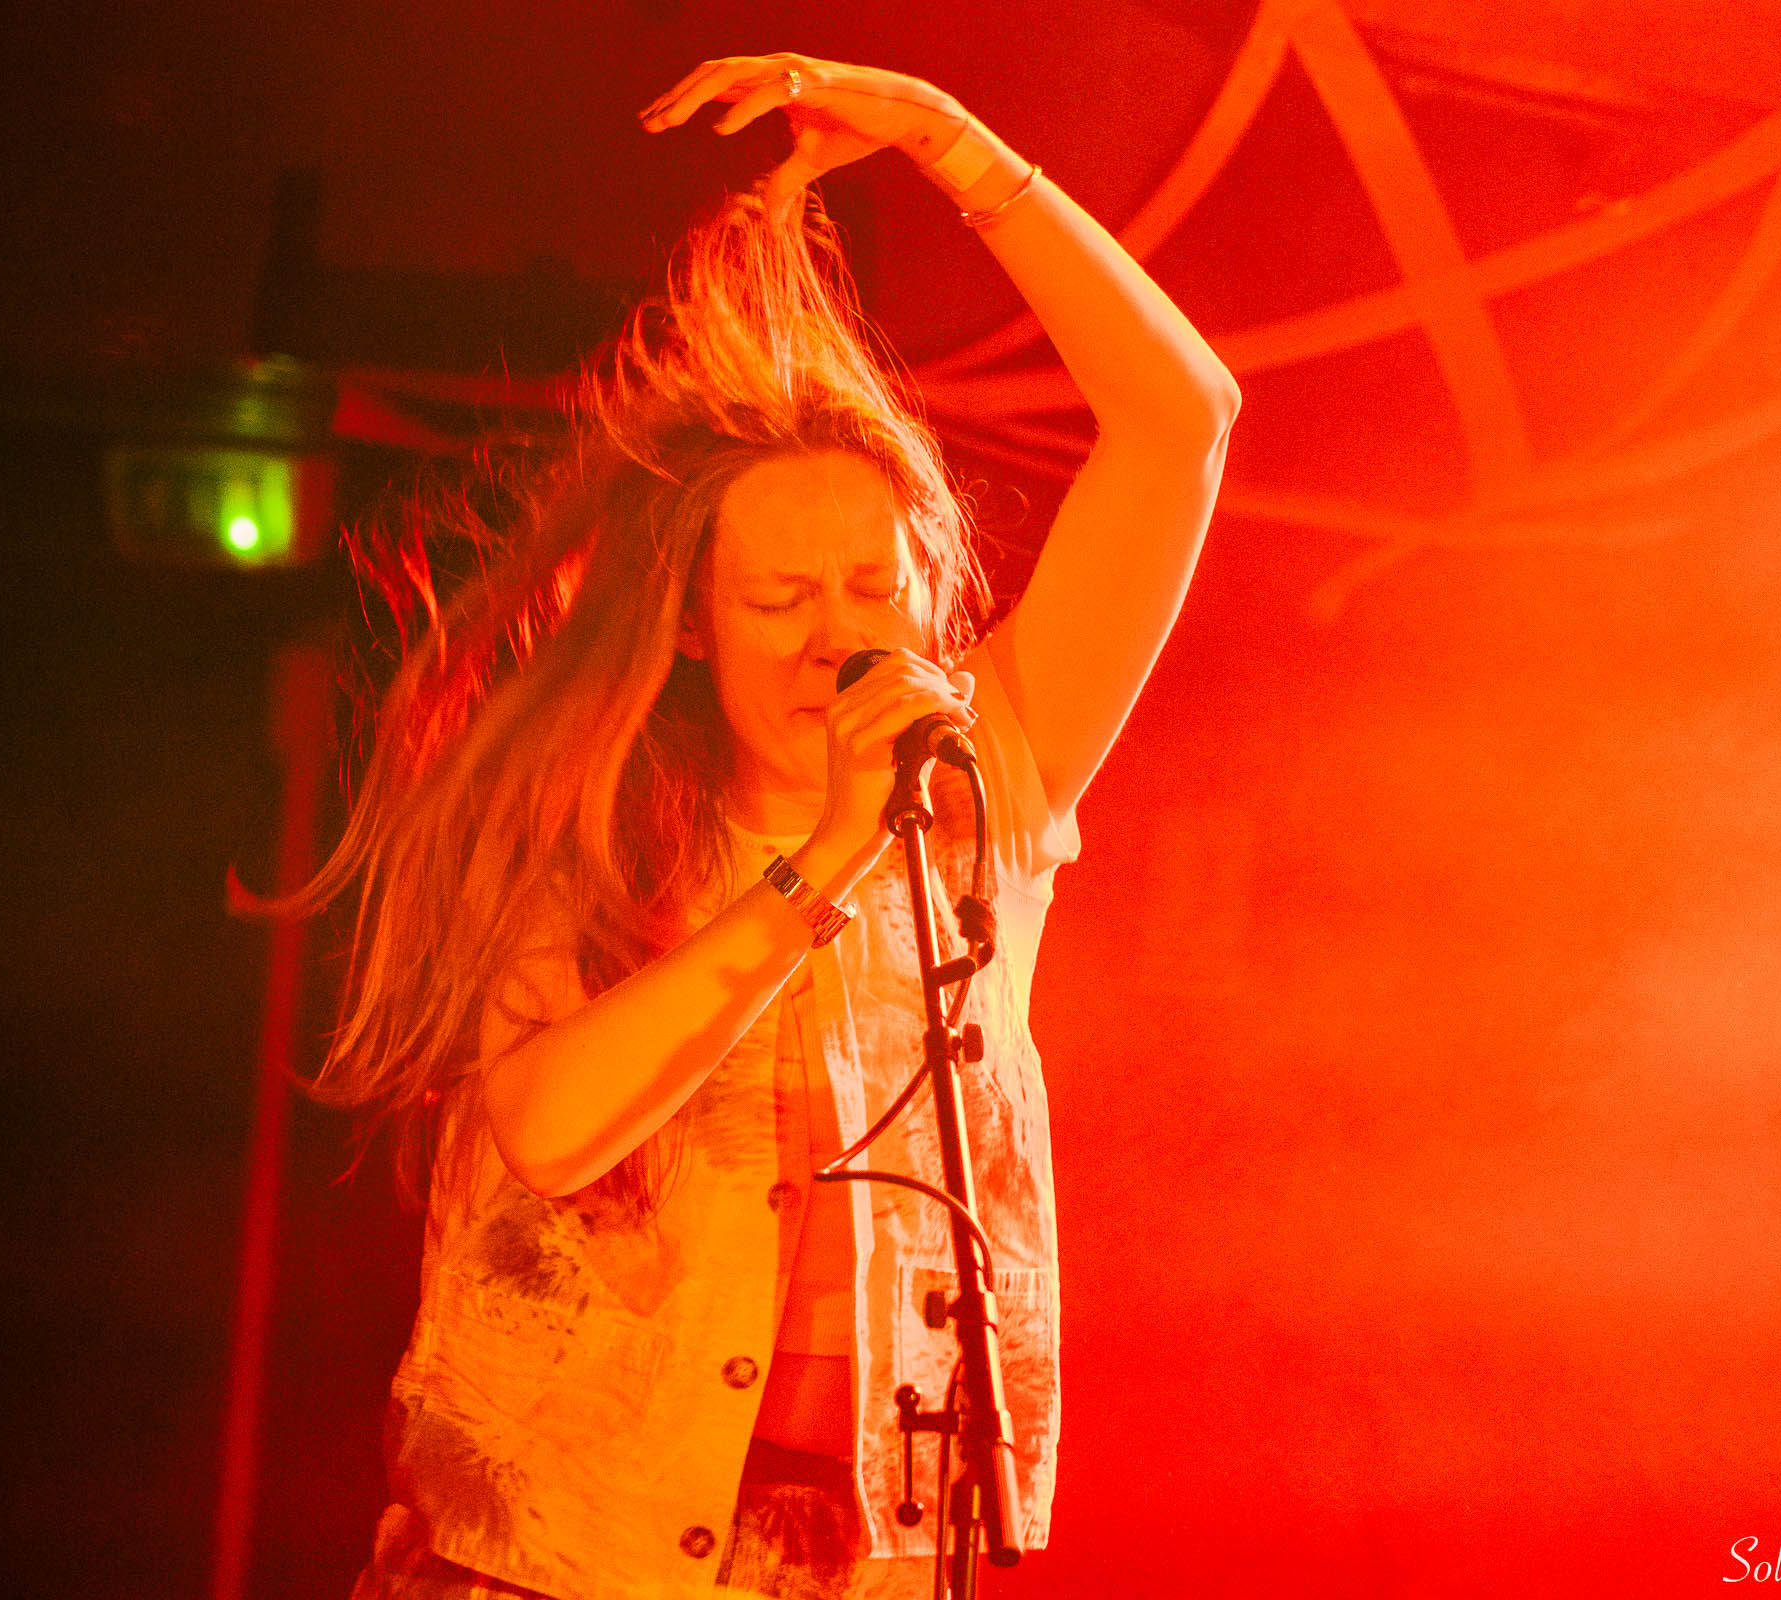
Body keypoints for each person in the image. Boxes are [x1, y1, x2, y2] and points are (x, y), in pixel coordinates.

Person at [312, 52, 1237, 1600]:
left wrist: (951, 142)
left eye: (874, 588)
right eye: (782, 599)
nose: (837, 637)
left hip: (864, 1554)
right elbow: (548, 1126)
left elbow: (1182, 422)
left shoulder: (990, 766)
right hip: (553, 1547)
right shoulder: (589, 811)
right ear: (689, 624)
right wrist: (817, 869)